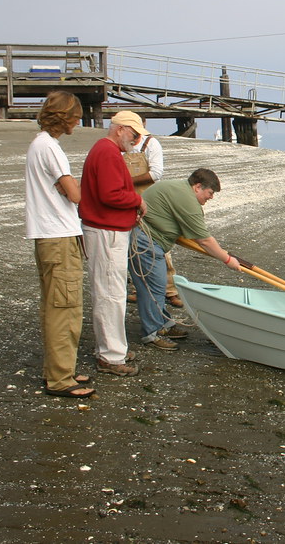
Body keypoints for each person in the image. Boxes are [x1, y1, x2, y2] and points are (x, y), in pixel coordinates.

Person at [24, 91, 94, 398]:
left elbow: (66, 189)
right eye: (76, 116)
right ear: (64, 117)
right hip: (58, 236)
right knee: (64, 307)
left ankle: (58, 369)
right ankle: (60, 377)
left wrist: (66, 187)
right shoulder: (49, 147)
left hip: (49, 235)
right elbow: (75, 194)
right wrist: (71, 186)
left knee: (56, 304)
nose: (78, 122)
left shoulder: (40, 146)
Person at [129, 168, 240, 350]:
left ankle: (163, 325)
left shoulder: (180, 189)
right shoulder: (187, 200)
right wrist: (227, 260)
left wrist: (221, 252)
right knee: (153, 289)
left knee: (157, 287)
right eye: (210, 193)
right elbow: (204, 240)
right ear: (197, 187)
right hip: (145, 242)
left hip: (149, 240)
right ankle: (152, 333)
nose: (211, 197)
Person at [79, 111, 147, 376]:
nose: (136, 140)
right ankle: (110, 355)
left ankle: (112, 348)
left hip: (108, 229)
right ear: (119, 129)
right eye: (134, 134)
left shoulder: (105, 151)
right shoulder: (107, 152)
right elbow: (110, 194)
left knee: (111, 292)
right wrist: (137, 201)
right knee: (110, 294)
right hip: (106, 231)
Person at [123, 131, 183, 308]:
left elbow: (156, 173)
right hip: (128, 201)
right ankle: (137, 289)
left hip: (149, 203)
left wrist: (126, 180)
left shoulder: (150, 144)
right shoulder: (120, 147)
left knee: (161, 248)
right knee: (133, 248)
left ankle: (170, 291)